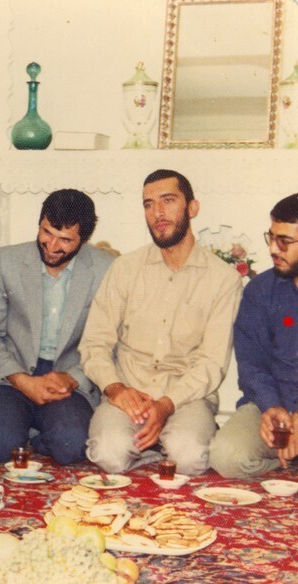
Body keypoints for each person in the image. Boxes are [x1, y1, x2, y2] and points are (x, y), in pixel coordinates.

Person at [80, 169, 241, 476]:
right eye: (148, 204)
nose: (157, 213)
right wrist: (115, 388)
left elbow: (212, 363)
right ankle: (154, 448)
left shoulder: (223, 280)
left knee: (189, 457)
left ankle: (165, 443)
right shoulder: (125, 268)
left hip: (186, 397)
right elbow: (94, 342)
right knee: (108, 455)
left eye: (168, 200)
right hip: (129, 390)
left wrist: (167, 404)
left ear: (192, 208)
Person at [0, 190, 113, 464]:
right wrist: (23, 381)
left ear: (84, 240)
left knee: (72, 446)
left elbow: (109, 344)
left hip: (66, 383)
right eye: (47, 232)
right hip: (11, 377)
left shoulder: (106, 269)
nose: (52, 245)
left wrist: (72, 378)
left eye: (65, 240)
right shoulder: (4, 261)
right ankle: (23, 429)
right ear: (39, 223)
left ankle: (38, 433)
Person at [209, 193, 298, 477]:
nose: (273, 248)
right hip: (272, 407)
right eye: (271, 237)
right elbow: (251, 366)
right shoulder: (260, 291)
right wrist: (272, 407)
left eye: (284, 241)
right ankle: (285, 460)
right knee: (225, 456)